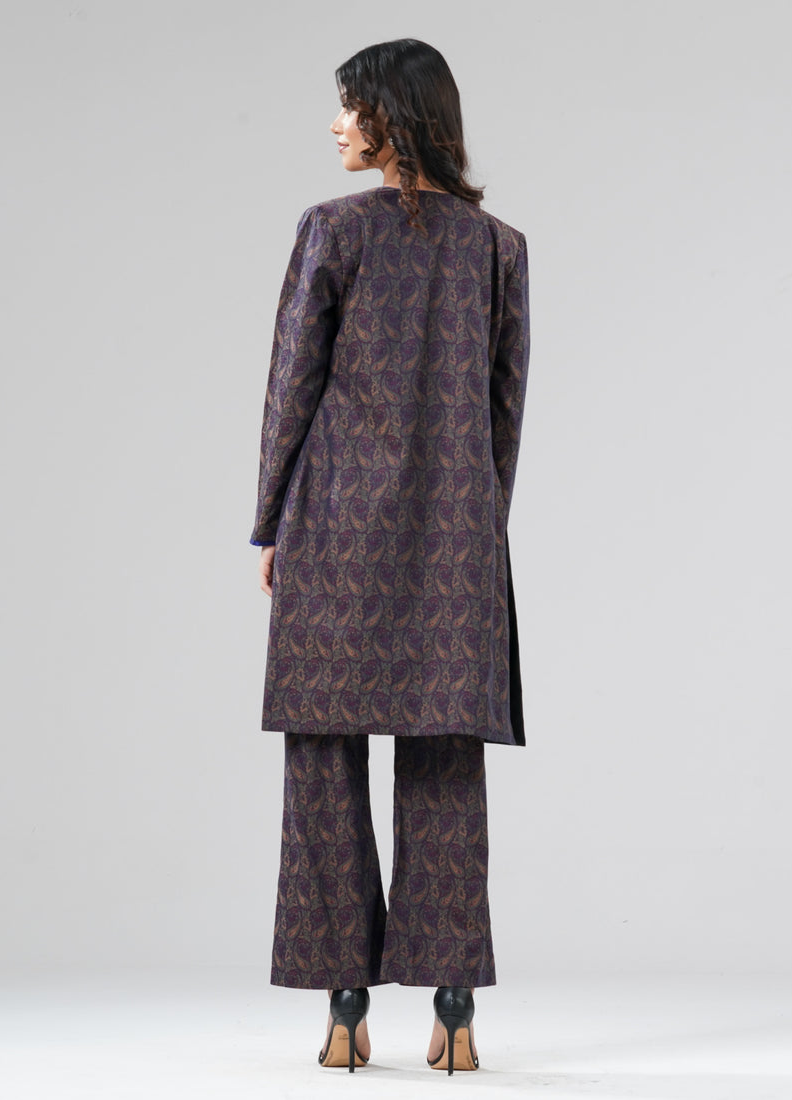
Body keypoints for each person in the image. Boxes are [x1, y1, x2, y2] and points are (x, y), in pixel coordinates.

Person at [249, 37, 530, 1074]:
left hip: (333, 527)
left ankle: (343, 1011)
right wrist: (475, 522)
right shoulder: (499, 248)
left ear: (394, 120)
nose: (337, 125)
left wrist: (270, 520)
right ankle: (454, 1014)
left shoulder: (332, 231)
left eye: (351, 108)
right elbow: (504, 411)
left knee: (325, 757)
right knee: (445, 761)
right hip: (453, 537)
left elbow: (292, 384)